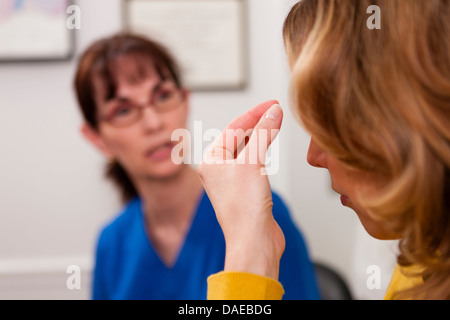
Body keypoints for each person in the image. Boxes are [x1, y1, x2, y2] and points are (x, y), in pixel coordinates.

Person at [199, 0, 450, 300]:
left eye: (333, 124)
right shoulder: (421, 263)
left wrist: (245, 255)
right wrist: (253, 250)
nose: (313, 157)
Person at [73, 33, 320, 299]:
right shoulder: (111, 244)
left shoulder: (258, 212)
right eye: (123, 111)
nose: (154, 123)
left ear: (185, 102)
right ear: (97, 138)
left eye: (163, 95)